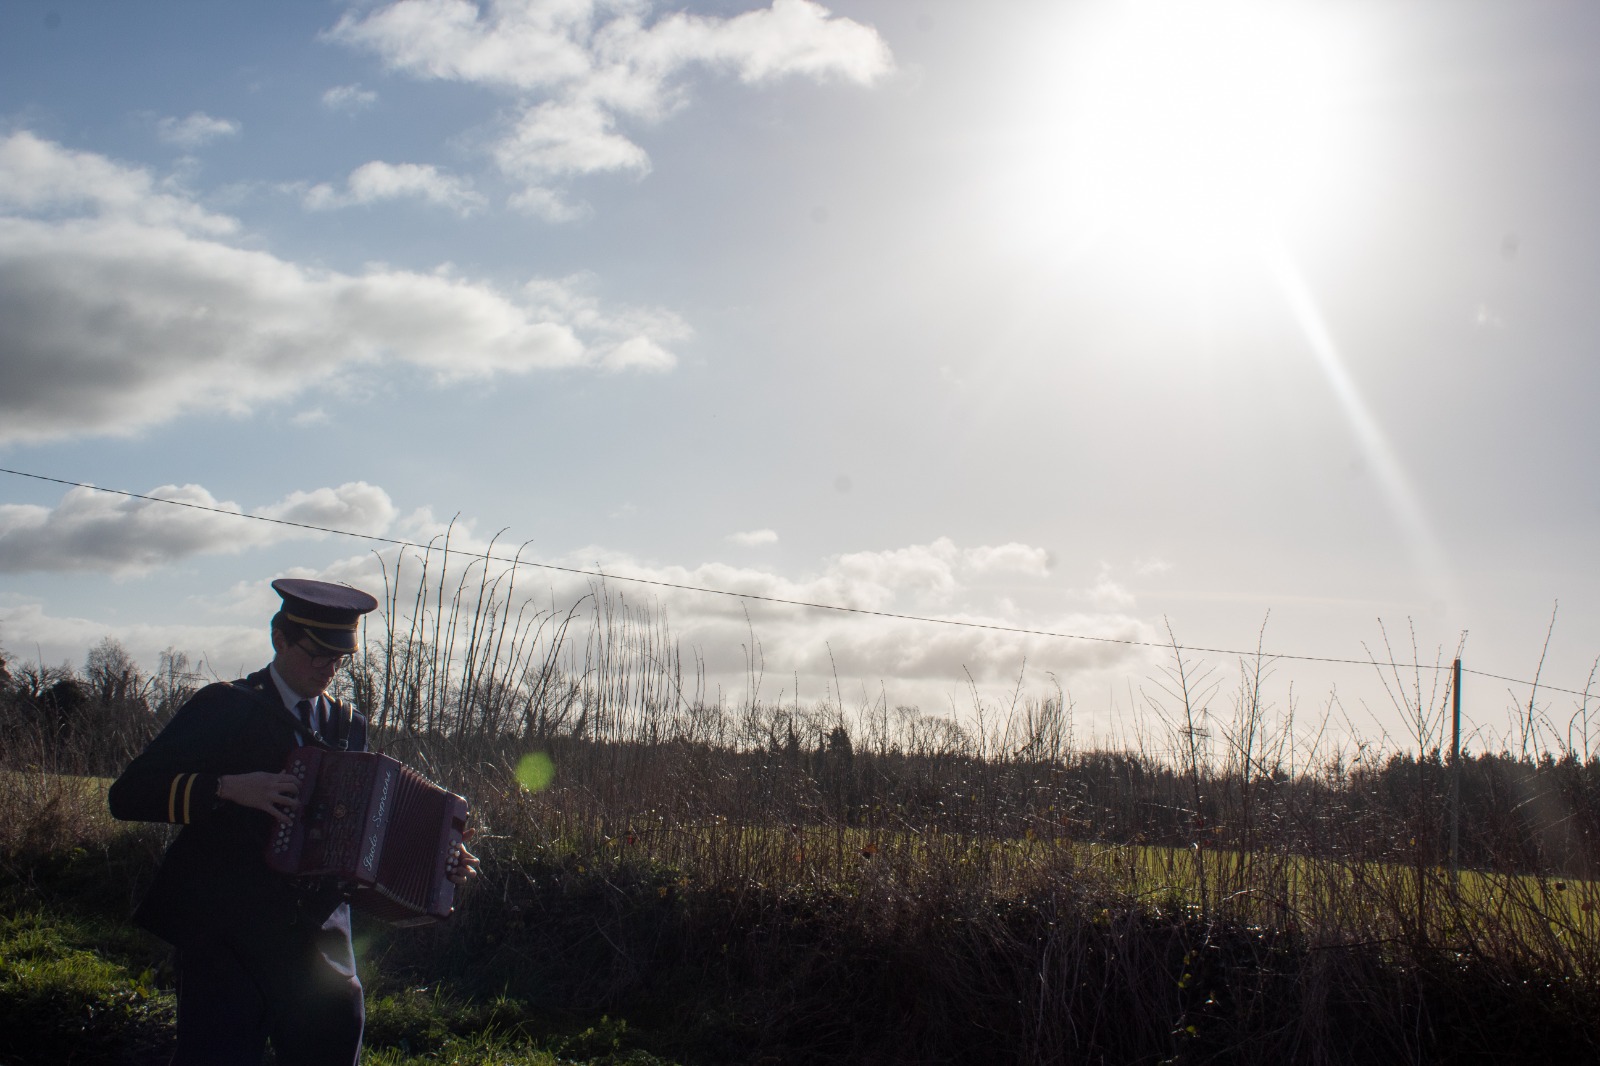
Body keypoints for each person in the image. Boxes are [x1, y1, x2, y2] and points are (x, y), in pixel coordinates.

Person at [108, 577, 479, 1065]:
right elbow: (128, 795)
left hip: (316, 933)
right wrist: (227, 787)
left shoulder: (347, 724)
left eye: (338, 659)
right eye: (316, 654)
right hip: (226, 930)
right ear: (279, 639)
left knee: (332, 1042)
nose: (328, 670)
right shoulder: (224, 706)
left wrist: (436, 859)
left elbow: (360, 827)